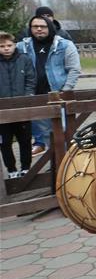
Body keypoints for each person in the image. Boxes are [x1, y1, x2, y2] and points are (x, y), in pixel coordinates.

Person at [17, 16, 81, 155]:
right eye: (35, 26)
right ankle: (52, 165)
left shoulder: (65, 45)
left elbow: (74, 69)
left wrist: (66, 90)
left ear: (50, 27)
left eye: (43, 26)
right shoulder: (22, 46)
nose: (39, 29)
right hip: (34, 95)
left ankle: (66, 165)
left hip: (58, 94)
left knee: (64, 132)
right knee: (44, 134)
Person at [0, 31, 36, 178]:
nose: (6, 48)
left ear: (15, 45)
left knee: (25, 139)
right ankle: (11, 169)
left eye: (9, 45)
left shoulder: (24, 59)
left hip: (22, 107)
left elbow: (30, 80)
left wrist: (27, 98)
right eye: (2, 46)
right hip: (2, 111)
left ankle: (26, 167)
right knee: (5, 142)